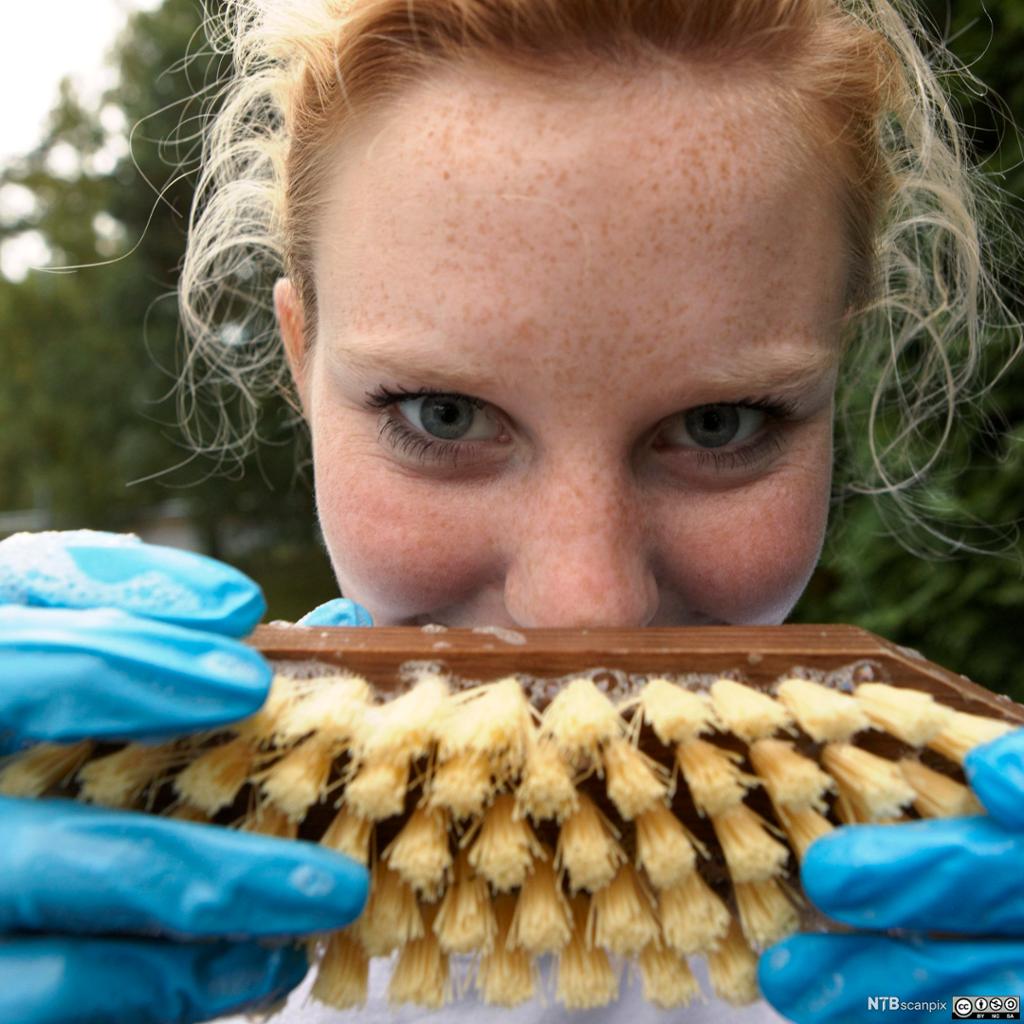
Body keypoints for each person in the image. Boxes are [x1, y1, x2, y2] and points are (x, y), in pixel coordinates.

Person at [2, 0, 1024, 1020]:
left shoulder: (958, 928)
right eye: (442, 415)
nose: (583, 604)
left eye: (718, 424)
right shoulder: (134, 902)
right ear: (298, 360)